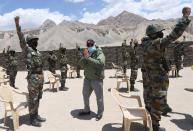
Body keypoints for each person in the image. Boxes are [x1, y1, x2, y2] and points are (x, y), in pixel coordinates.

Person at [142, 7, 191, 131]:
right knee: (157, 100)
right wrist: (185, 18)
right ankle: (155, 126)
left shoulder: (144, 44)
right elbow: (175, 34)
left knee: (149, 99)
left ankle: (154, 116)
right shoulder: (157, 43)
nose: (161, 33)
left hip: (148, 78)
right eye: (160, 32)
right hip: (158, 79)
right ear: (155, 34)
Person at [15, 16, 46, 127]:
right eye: (34, 41)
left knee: (38, 97)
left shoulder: (37, 51)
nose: (36, 42)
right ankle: (32, 118)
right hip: (33, 78)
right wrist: (17, 26)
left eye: (36, 41)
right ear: (30, 42)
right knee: (33, 99)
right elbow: (21, 39)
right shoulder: (27, 49)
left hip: (40, 77)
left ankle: (36, 115)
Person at [78, 39, 105, 121]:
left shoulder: (99, 53)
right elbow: (81, 64)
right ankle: (86, 110)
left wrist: (88, 58)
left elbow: (100, 64)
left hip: (96, 79)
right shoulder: (87, 53)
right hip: (87, 79)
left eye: (91, 45)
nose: (89, 47)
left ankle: (100, 113)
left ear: (94, 45)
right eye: (88, 46)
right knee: (85, 95)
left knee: (99, 97)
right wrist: (84, 56)